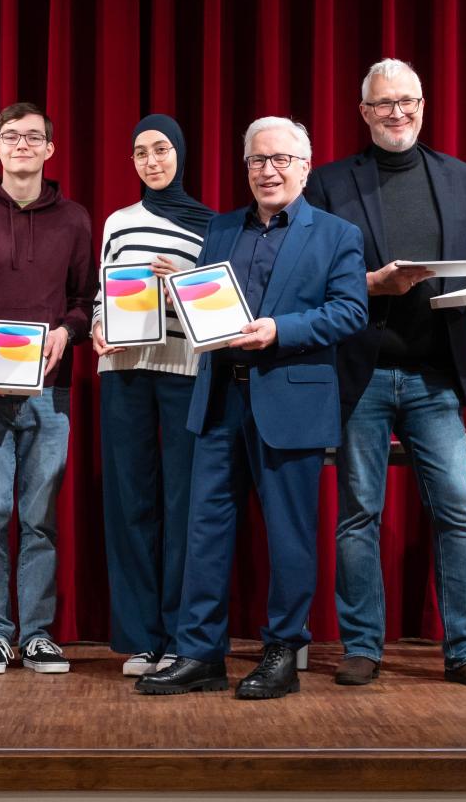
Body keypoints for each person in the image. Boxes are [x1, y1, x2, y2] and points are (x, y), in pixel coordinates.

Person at [138, 116, 366, 700]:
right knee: (205, 532)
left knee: (290, 537)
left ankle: (283, 652)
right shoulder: (220, 229)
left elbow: (349, 312)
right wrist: (187, 299)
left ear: (305, 167)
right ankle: (200, 654)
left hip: (290, 402)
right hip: (219, 398)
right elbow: (212, 302)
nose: (268, 171)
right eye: (257, 161)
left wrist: (278, 330)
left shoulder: (337, 234)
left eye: (280, 160)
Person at [303, 58, 466, 690]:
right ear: (364, 112)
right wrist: (375, 283)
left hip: (435, 376)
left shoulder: (462, 178)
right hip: (361, 375)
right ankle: (362, 646)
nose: (399, 113)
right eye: (385, 104)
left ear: (423, 105)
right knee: (358, 514)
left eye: (409, 101)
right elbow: (311, 276)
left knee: (456, 510)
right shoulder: (331, 184)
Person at [0, 102, 96, 675]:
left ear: (50, 149)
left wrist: (66, 332)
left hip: (50, 393)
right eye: (12, 137)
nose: (23, 145)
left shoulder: (76, 218)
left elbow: (85, 301)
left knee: (39, 518)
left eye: (34, 137)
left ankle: (35, 633)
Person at [89, 115, 213, 677]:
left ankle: (183, 635)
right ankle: (143, 638)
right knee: (131, 502)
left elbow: (217, 308)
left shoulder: (214, 226)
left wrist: (181, 278)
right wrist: (97, 324)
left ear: (180, 154)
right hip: (124, 369)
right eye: (141, 153)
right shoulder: (118, 221)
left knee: (184, 504)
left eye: (162, 149)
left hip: (186, 370)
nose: (152, 161)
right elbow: (102, 289)